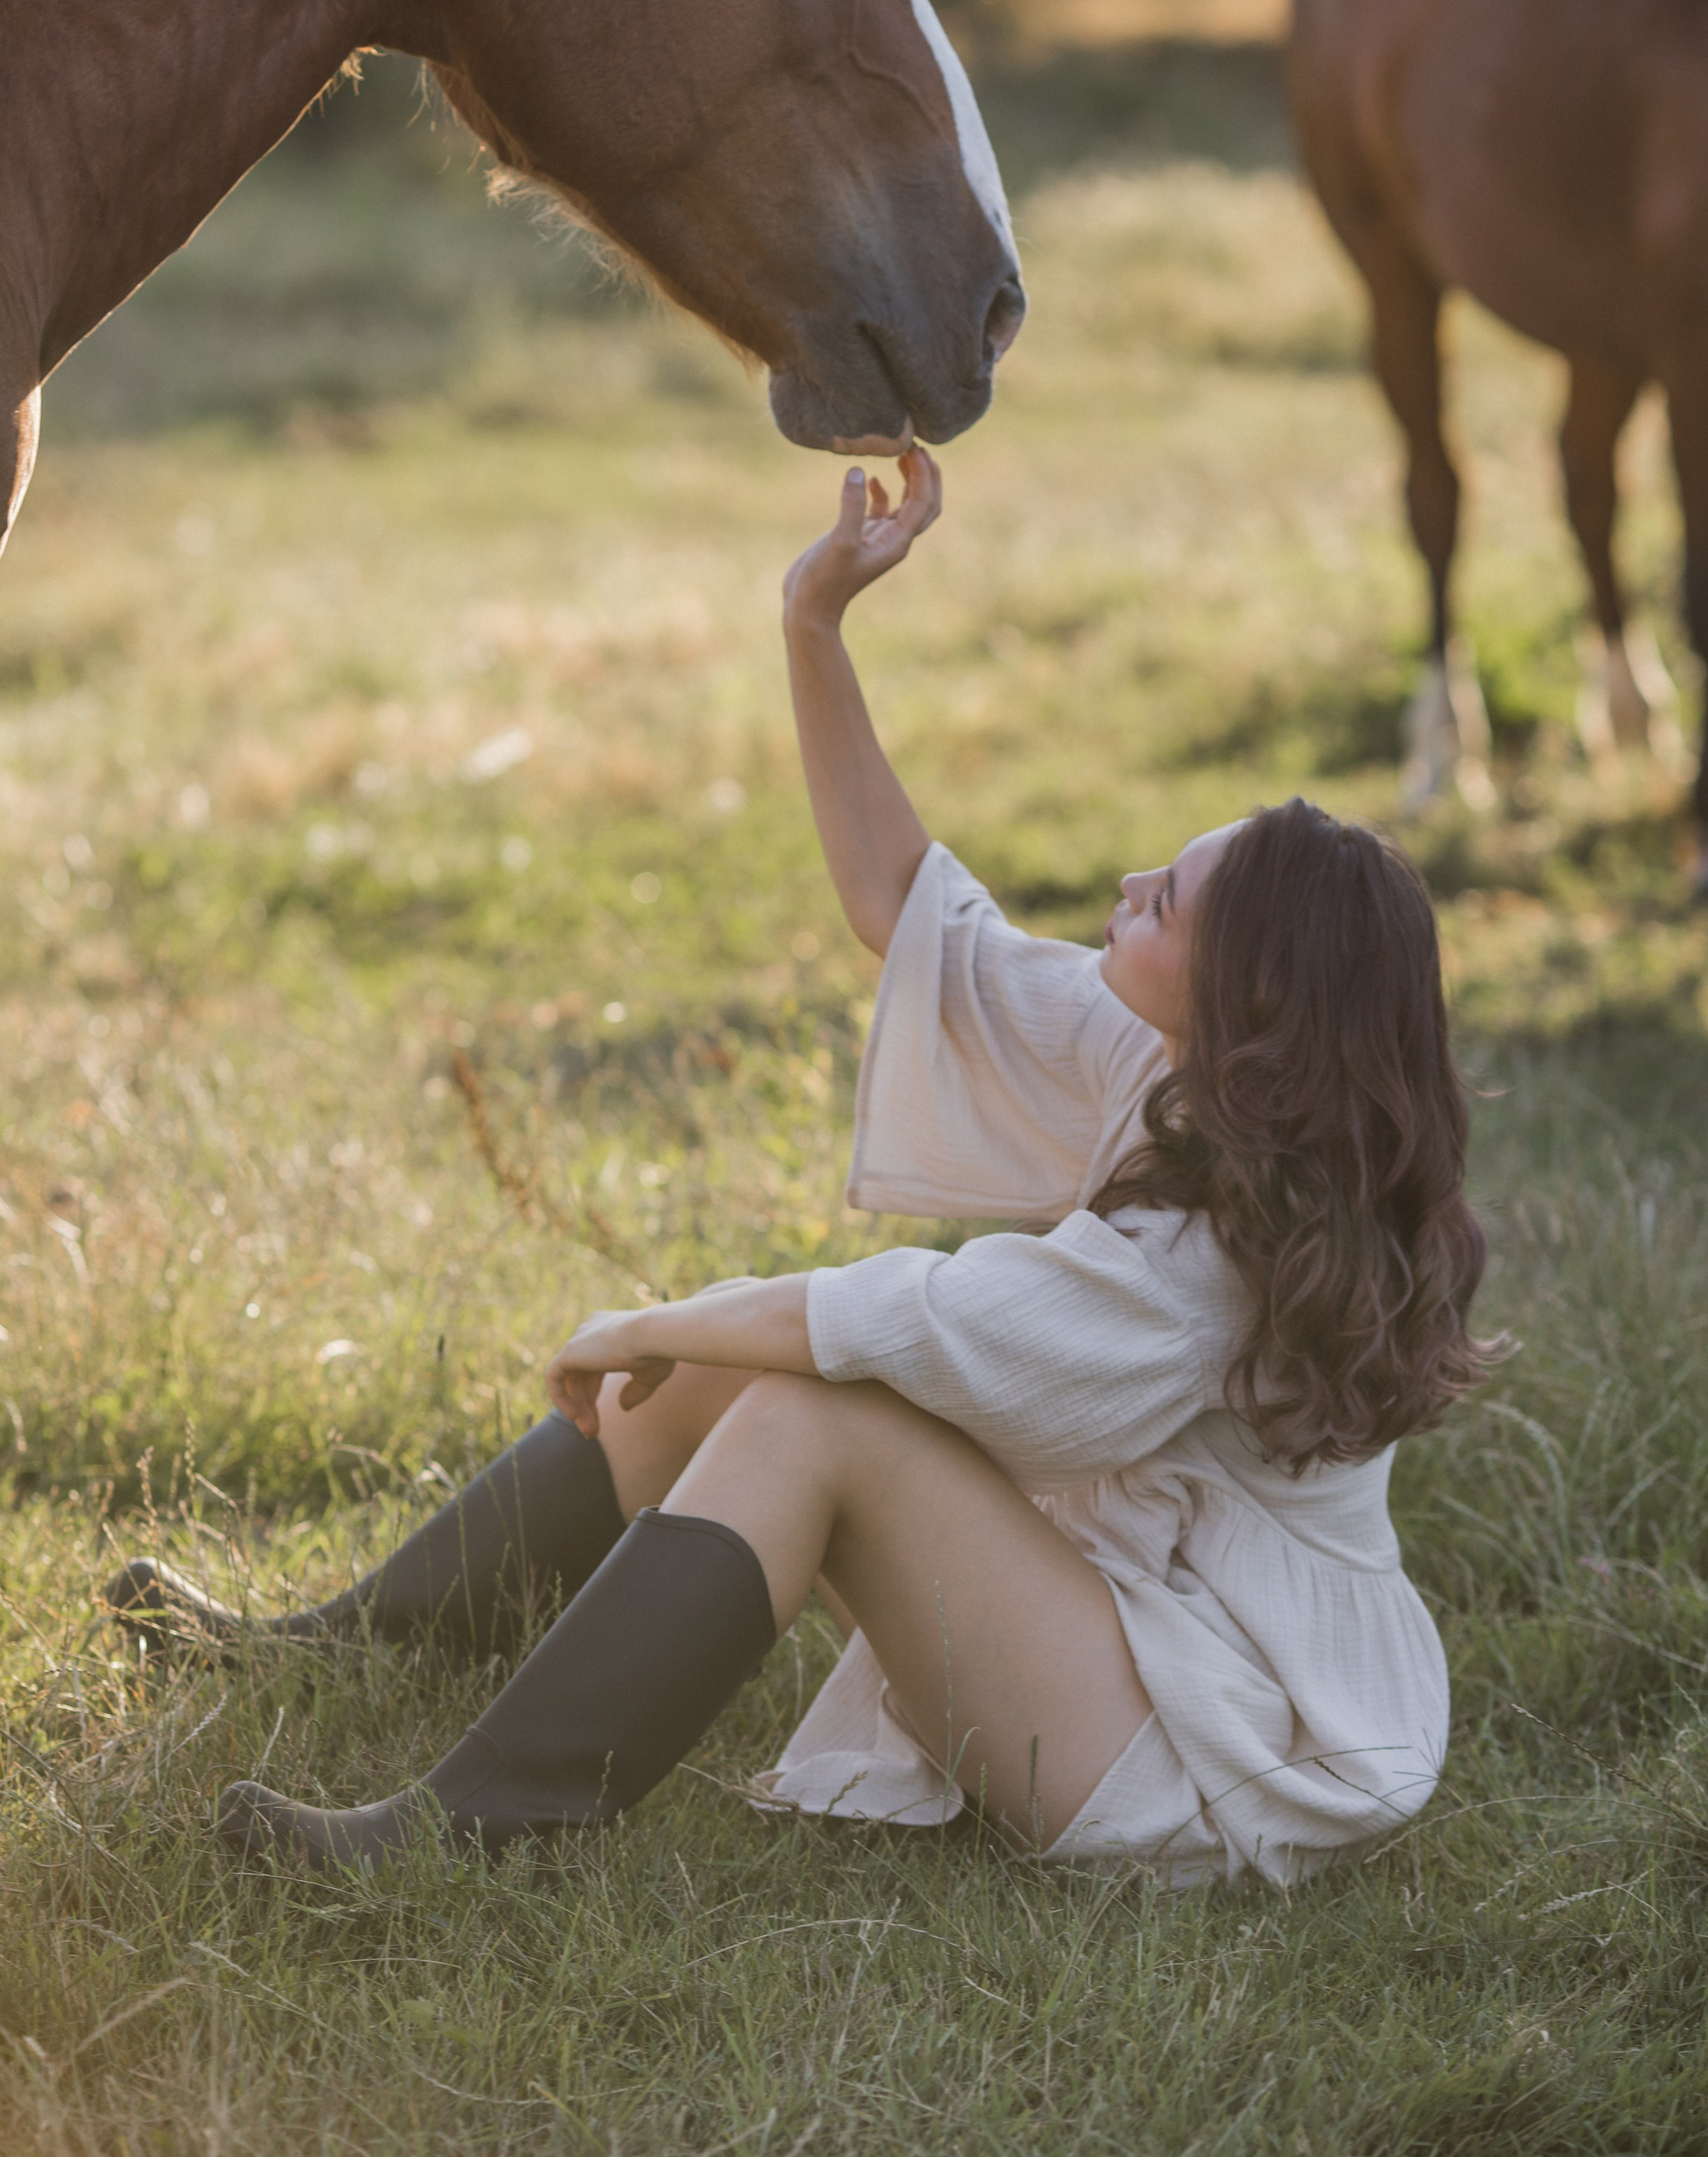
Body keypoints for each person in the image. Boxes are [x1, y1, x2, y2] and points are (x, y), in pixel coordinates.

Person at [116, 449, 1500, 1884]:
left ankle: (457, 1840)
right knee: (749, 1373)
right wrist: (814, 624)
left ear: (1247, 1003)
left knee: (804, 1412)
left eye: (1169, 900)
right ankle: (347, 1642)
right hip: (1136, 1631)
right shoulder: (1176, 1070)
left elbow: (911, 1326)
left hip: (1221, 1760)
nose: (1132, 881)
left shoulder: (1207, 1263)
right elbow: (909, 910)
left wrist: (645, 1323)